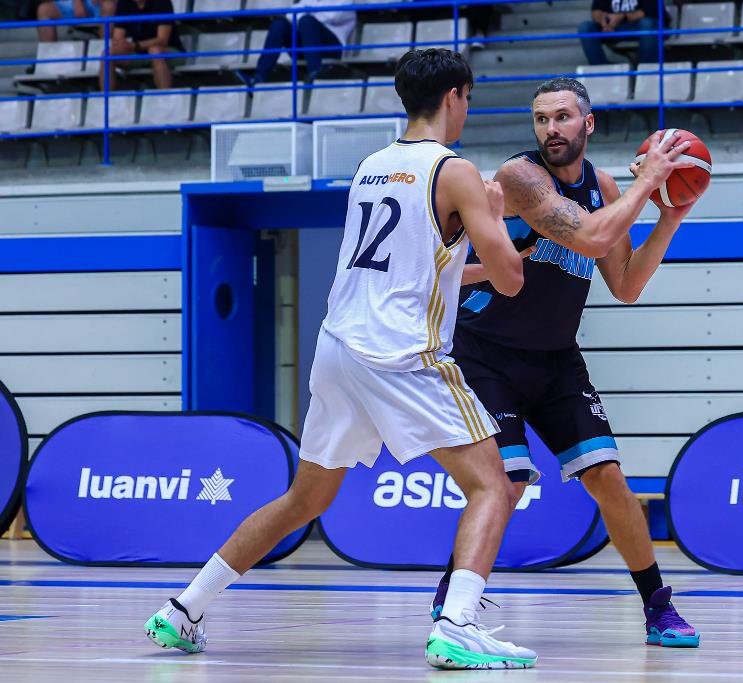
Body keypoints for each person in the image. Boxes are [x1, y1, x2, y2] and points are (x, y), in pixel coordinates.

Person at [144, 48, 539, 671]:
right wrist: (494, 215)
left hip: (337, 349)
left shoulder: (371, 166)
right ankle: (459, 624)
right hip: (401, 352)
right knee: (494, 484)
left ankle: (184, 608)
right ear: (457, 95)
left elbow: (418, 269)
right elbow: (512, 279)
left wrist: (469, 257)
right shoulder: (455, 170)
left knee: (304, 499)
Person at [429, 77, 702, 648]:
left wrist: (672, 212)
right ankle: (454, 600)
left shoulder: (604, 187)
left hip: (556, 359)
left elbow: (625, 284)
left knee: (608, 479)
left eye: (562, 117)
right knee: (504, 481)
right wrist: (650, 180)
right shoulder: (519, 177)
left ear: (588, 123)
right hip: (486, 355)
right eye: (541, 120)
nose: (551, 129)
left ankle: (658, 606)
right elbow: (595, 240)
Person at [238, 0, 356, 86]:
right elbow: (290, 14)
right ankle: (258, 77)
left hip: (332, 48)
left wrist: (307, 12)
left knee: (306, 21)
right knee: (279, 24)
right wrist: (311, 13)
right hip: (307, 45)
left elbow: (335, 15)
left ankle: (315, 72)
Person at [99, 0, 184, 90]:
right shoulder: (124, 3)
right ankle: (106, 98)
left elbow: (162, 40)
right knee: (107, 54)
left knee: (155, 51)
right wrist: (120, 45)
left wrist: (135, 46)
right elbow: (117, 37)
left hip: (169, 50)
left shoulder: (162, 2)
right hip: (138, 52)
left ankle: (165, 99)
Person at [578, 0, 662, 65]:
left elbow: (651, 10)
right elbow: (596, 11)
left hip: (643, 26)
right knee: (585, 27)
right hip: (614, 28)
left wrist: (622, 16)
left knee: (647, 24)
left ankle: (646, 71)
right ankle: (601, 70)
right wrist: (604, 23)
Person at [35, 0, 115, 43]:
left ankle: (105, 55)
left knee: (109, 5)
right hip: (71, 4)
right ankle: (48, 60)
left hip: (102, 4)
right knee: (44, 10)